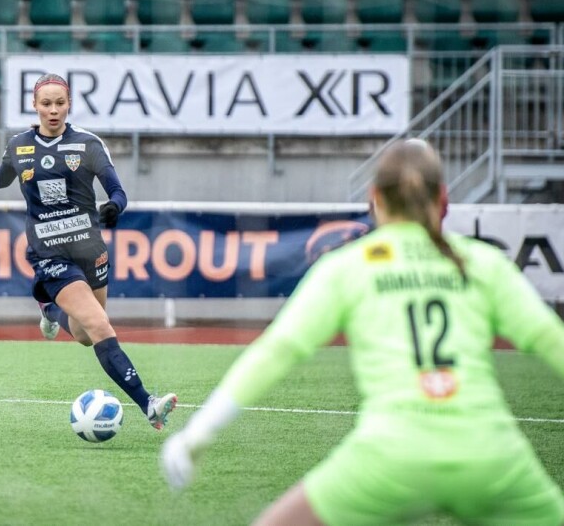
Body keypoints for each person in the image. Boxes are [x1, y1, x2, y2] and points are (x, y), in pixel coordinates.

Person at [160, 139, 564, 525]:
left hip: (390, 455)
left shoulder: (349, 266)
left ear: (374, 200)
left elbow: (277, 350)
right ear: (444, 200)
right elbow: (551, 339)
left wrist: (197, 434)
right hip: (490, 456)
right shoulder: (482, 263)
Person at [0, 72, 178, 430]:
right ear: (35, 106)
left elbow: (118, 191)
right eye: (46, 103)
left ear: (69, 104)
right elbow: (3, 175)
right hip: (50, 253)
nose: (53, 110)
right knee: (100, 325)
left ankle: (48, 307)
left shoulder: (88, 144)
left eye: (60, 103)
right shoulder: (20, 145)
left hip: (90, 251)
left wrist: (113, 208)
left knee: (86, 335)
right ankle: (148, 404)